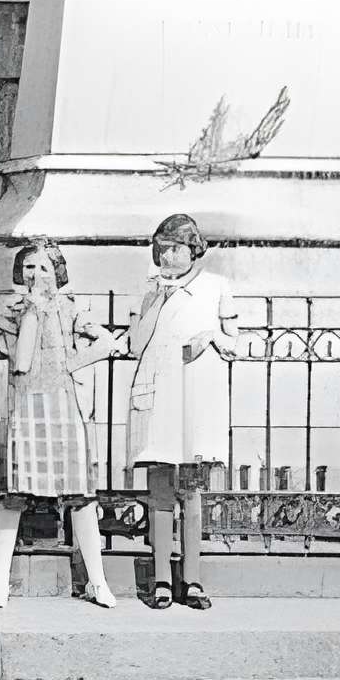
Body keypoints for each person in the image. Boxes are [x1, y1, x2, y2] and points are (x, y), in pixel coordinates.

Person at [0, 240, 121, 610]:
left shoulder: (72, 309)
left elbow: (108, 341)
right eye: (30, 267)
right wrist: (34, 308)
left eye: (44, 267)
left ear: (58, 273)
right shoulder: (9, 308)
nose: (36, 274)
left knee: (80, 496)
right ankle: (0, 583)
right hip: (27, 404)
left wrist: (74, 363)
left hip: (64, 404)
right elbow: (22, 359)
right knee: (13, 494)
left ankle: (98, 581)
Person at [121, 211, 243, 609]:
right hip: (159, 401)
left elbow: (236, 343)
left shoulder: (216, 287)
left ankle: (191, 580)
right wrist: (156, 300)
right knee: (159, 492)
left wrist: (211, 335)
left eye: (175, 248)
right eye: (162, 249)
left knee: (192, 493)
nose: (167, 257)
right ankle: (160, 580)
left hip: (196, 401)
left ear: (193, 248)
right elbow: (135, 345)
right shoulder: (151, 290)